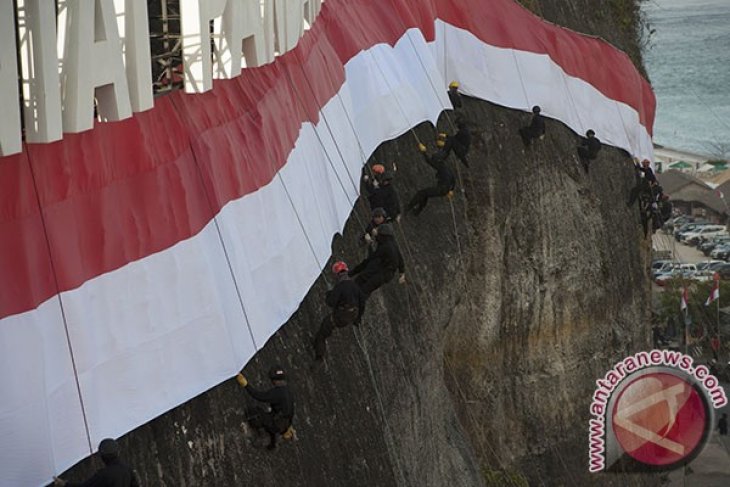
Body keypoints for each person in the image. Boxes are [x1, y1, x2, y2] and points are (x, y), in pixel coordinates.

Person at [313, 261, 367, 360]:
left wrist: (329, 293)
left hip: (342, 314)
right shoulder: (355, 286)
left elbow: (330, 302)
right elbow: (362, 302)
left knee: (324, 329)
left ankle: (319, 355)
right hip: (353, 313)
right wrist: (358, 318)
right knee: (331, 324)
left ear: (337, 274)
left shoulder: (340, 286)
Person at [236, 366, 295, 450]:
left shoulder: (278, 392)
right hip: (286, 423)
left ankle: (264, 435)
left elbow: (259, 396)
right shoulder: (288, 391)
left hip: (278, 424)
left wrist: (246, 385)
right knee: (270, 417)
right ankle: (273, 439)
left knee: (254, 413)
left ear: (274, 380)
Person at [53, 438, 139, 487]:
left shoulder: (103, 475)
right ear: (118, 452)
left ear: (102, 456)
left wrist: (65, 484)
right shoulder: (128, 469)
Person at [349, 223, 405, 296]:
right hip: (382, 266)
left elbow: (372, 257)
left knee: (366, 287)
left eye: (378, 230)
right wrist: (402, 273)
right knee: (364, 276)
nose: (375, 230)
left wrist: (369, 244)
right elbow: (400, 259)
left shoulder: (386, 247)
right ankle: (350, 276)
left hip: (384, 272)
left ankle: (353, 300)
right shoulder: (391, 241)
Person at [406, 141, 457, 216]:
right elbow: (453, 180)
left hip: (441, 189)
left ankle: (408, 207)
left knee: (421, 193)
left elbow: (428, 161)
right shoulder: (447, 168)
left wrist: (424, 152)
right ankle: (417, 211)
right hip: (445, 189)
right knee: (426, 194)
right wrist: (451, 190)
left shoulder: (440, 166)